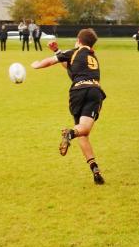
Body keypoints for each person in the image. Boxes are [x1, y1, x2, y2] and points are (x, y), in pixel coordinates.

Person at [30, 29, 107, 185]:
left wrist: (36, 65)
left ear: (78, 40)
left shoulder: (74, 52)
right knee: (83, 131)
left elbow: (52, 61)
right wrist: (57, 50)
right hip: (94, 91)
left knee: (81, 131)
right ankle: (95, 168)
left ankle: (70, 134)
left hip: (78, 92)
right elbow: (70, 65)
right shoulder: (92, 56)